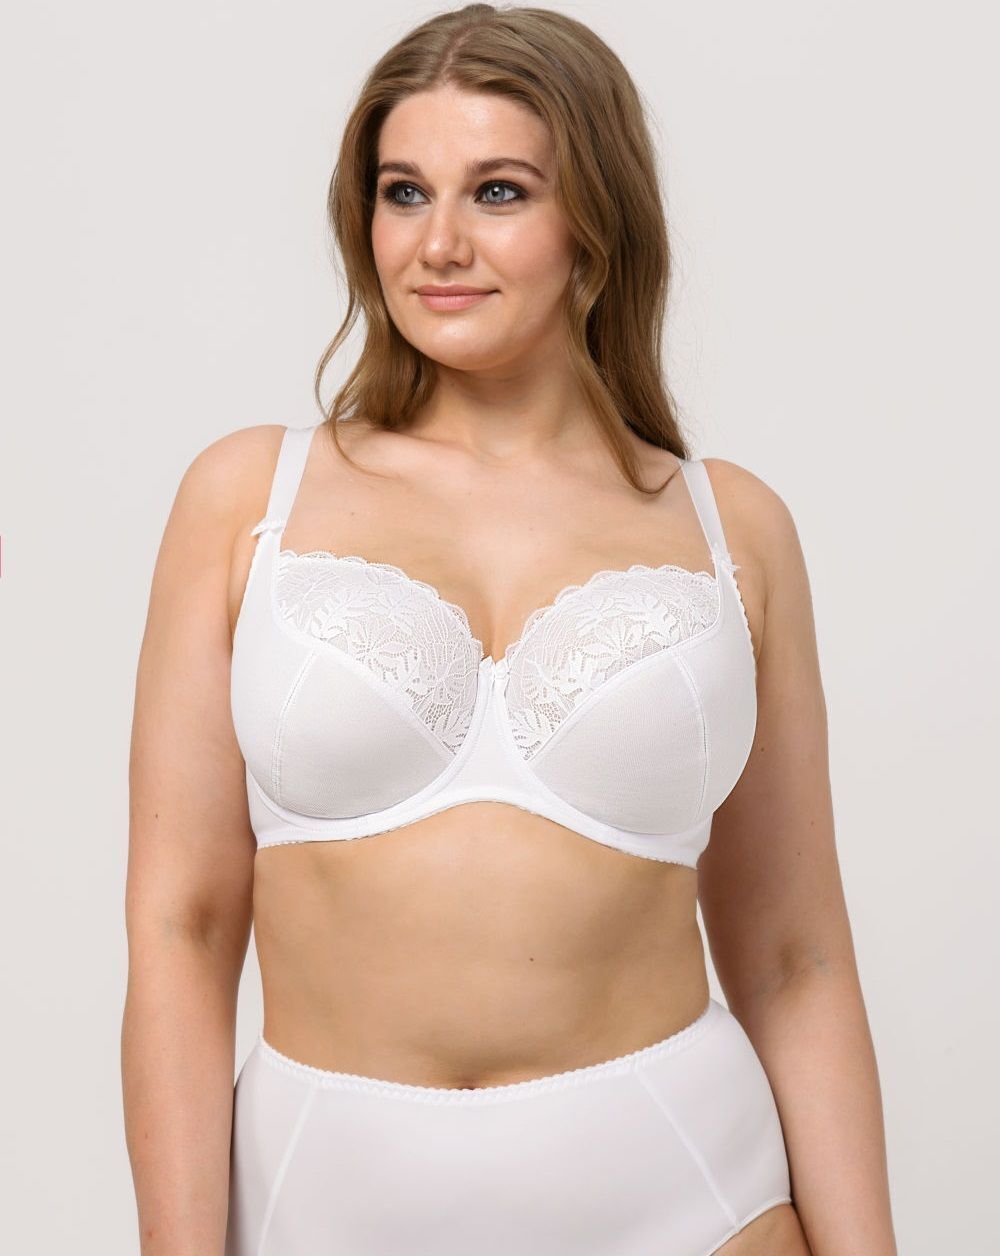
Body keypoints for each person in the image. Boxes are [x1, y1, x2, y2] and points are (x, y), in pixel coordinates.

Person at [121, 5, 896, 1254]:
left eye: (497, 191)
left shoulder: (730, 526)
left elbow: (793, 957)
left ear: (594, 217)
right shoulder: (247, 498)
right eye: (402, 191)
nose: (437, 243)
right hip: (322, 1202)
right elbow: (182, 925)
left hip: (692, 1198)